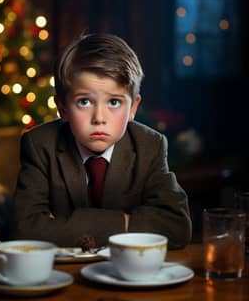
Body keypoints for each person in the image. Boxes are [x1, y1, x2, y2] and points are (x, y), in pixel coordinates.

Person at [10, 33, 192, 249]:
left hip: (126, 272)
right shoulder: (40, 145)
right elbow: (23, 229)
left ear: (133, 108)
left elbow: (176, 226)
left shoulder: (149, 145)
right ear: (63, 108)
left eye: (114, 102)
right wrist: (123, 223)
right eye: (84, 101)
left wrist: (63, 226)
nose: (99, 118)